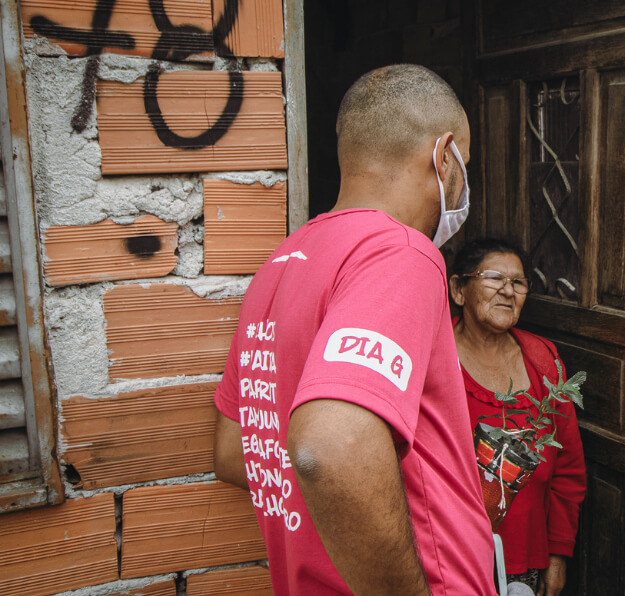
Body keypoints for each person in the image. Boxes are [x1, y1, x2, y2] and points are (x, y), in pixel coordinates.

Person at [212, 64, 496, 595]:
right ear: (443, 155)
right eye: (466, 164)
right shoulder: (402, 253)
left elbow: (236, 451)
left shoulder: (283, 263)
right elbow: (329, 445)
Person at [449, 238, 586, 596]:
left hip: (525, 560)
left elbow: (568, 469)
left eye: (519, 282)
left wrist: (558, 557)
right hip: (450, 557)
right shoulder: (435, 358)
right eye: (494, 278)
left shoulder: (543, 359)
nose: (508, 291)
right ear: (458, 289)